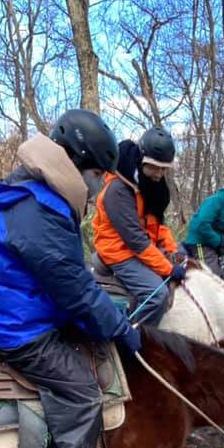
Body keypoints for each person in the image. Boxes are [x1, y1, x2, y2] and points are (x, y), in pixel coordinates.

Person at [0, 109, 141, 448]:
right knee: (81, 391)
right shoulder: (42, 210)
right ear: (79, 163)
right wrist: (120, 328)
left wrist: (105, 311)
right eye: (98, 173)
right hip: (20, 326)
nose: (99, 183)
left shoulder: (41, 196)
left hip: (26, 305)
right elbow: (75, 290)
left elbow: (70, 278)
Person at [91, 126, 187, 325]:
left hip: (141, 247)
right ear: (142, 159)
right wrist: (168, 269)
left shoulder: (148, 182)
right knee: (157, 296)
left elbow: (157, 223)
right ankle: (132, 338)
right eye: (155, 167)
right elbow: (136, 241)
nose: (160, 174)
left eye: (164, 168)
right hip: (119, 252)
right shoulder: (118, 190)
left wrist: (172, 250)